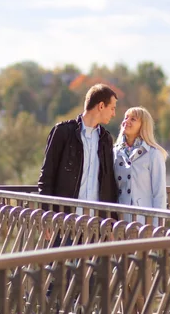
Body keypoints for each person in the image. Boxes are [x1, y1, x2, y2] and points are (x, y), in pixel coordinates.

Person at [38, 83, 119, 218]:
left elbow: (109, 184)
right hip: (64, 220)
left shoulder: (106, 139)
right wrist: (46, 214)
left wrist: (110, 220)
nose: (114, 114)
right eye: (112, 108)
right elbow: (47, 177)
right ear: (101, 106)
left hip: (96, 223)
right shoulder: (62, 132)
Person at [113, 106, 168, 225]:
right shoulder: (114, 152)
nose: (126, 121)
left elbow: (159, 194)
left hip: (143, 221)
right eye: (126, 117)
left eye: (133, 119)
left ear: (143, 126)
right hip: (119, 218)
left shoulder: (153, 154)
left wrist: (157, 227)